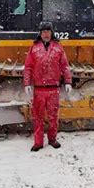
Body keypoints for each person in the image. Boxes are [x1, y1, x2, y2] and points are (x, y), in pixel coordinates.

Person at [24, 21, 72, 152]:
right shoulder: (34, 48)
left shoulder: (58, 47)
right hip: (39, 89)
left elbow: (65, 66)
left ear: (51, 33)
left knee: (53, 117)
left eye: (48, 31)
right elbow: (28, 67)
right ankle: (38, 142)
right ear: (40, 33)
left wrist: (68, 81)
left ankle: (52, 139)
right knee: (38, 117)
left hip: (53, 89)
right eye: (43, 31)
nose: (46, 34)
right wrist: (27, 83)